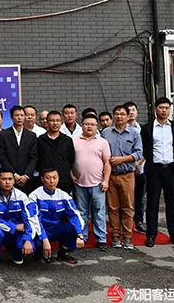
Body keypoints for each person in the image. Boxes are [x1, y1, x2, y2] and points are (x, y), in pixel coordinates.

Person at [141, 97, 174, 248]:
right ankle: (151, 235)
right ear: (155, 109)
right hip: (154, 170)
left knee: (171, 204)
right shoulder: (147, 128)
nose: (164, 111)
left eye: (167, 108)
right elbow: (145, 148)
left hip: (171, 169)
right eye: (161, 107)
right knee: (152, 204)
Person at [102, 105, 143, 250]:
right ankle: (115, 235)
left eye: (122, 114)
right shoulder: (106, 133)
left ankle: (127, 236)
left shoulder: (134, 133)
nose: (119, 116)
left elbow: (138, 153)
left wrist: (122, 159)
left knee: (127, 207)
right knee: (113, 207)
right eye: (117, 114)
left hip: (127, 175)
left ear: (127, 116)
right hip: (111, 175)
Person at [71, 113, 111, 251]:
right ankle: (82, 237)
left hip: (98, 184)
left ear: (96, 126)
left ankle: (101, 239)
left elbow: (107, 163)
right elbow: (69, 161)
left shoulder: (103, 142)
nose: (89, 127)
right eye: (86, 124)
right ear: (82, 125)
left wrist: (106, 180)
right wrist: (71, 175)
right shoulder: (74, 141)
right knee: (81, 212)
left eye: (92, 124)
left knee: (99, 212)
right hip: (79, 183)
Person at [29, 167, 85, 264]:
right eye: (48, 178)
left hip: (56, 229)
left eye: (54, 178)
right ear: (42, 179)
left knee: (72, 227)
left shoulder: (64, 195)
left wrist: (80, 235)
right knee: (38, 243)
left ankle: (63, 253)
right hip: (40, 230)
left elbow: (74, 215)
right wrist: (44, 239)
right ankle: (39, 254)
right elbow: (35, 220)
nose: (52, 181)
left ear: (58, 178)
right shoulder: (34, 196)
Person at [0, 168, 36, 269]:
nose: (7, 182)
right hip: (0, 230)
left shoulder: (21, 196)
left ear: (14, 181)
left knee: (29, 248)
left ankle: (15, 254)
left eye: (10, 179)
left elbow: (29, 219)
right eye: (4, 179)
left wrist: (28, 239)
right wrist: (14, 226)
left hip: (16, 233)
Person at [0, 105, 38, 194]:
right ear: (11, 117)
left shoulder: (31, 135)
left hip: (27, 179)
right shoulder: (3, 134)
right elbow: (2, 156)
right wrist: (14, 174)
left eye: (22, 115)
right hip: (10, 178)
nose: (19, 118)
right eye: (16, 115)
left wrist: (26, 175)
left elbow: (33, 157)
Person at [35, 111, 76, 194]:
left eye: (57, 121)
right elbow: (37, 160)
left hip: (63, 180)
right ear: (47, 122)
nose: (55, 123)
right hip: (45, 181)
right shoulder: (40, 140)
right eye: (52, 120)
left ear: (61, 122)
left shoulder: (67, 140)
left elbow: (71, 159)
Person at [125, 101, 147, 235]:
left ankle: (139, 221)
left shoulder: (143, 129)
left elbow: (146, 149)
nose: (131, 112)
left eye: (133, 110)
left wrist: (138, 164)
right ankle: (124, 223)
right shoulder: (121, 129)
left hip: (140, 169)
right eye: (129, 110)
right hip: (126, 169)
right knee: (125, 199)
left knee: (140, 198)